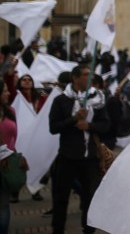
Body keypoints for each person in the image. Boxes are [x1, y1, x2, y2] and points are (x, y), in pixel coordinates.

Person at [48, 64, 109, 234]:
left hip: (89, 159)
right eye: (85, 75)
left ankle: (88, 230)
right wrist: (74, 119)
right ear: (74, 79)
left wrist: (89, 125)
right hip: (67, 157)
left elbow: (106, 125)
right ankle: (58, 229)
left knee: (90, 198)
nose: (89, 78)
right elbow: (53, 127)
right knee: (61, 199)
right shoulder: (61, 100)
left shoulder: (97, 99)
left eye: (90, 74)